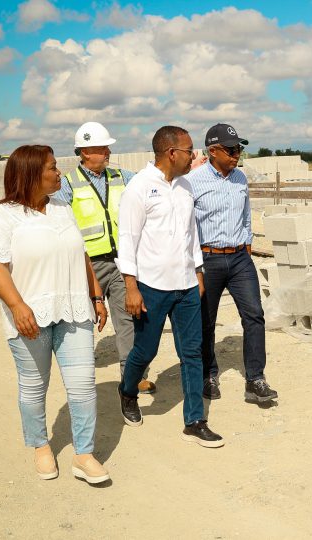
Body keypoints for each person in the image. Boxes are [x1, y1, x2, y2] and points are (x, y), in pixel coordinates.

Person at [0, 144, 111, 484]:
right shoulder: (4, 216)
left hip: (73, 310)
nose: (59, 173)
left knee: (84, 387)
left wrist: (96, 295)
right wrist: (16, 305)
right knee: (34, 387)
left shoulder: (62, 207)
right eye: (53, 168)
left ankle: (84, 454)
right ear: (30, 174)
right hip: (29, 317)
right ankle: (40, 445)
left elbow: (81, 253)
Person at [115, 125, 223, 448]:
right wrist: (131, 288)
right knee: (145, 350)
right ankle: (128, 390)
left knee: (192, 352)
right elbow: (127, 240)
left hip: (187, 285)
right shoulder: (139, 188)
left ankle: (195, 420)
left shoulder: (185, 187)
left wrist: (199, 274)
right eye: (190, 150)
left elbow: (191, 236)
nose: (195, 156)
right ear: (172, 153)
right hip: (151, 287)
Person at [53, 121, 155, 394]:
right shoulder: (68, 184)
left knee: (127, 320)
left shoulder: (122, 176)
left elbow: (150, 180)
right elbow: (58, 221)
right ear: (85, 152)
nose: (108, 153)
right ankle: (81, 379)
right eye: (102, 148)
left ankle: (133, 377)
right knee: (82, 322)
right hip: (88, 264)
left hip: (122, 261)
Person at [187, 123, 278, 403]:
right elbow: (186, 224)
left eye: (239, 148)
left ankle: (255, 379)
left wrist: (247, 243)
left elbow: (246, 215)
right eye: (231, 149)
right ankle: (208, 374)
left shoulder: (240, 178)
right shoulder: (193, 181)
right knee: (206, 322)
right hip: (207, 259)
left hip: (239, 258)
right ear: (213, 151)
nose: (237, 154)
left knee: (254, 316)